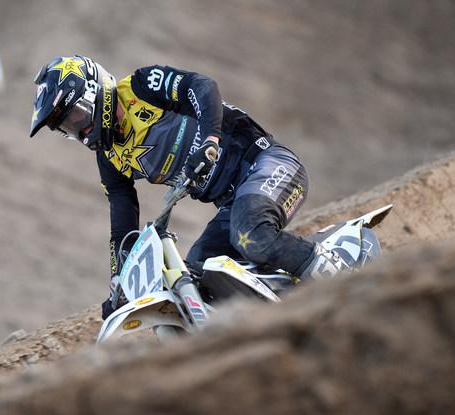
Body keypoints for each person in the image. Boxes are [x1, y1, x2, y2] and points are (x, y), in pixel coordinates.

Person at [29, 55, 347, 319]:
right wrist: (119, 281)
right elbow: (122, 221)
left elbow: (202, 86)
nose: (80, 131)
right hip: (233, 203)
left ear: (95, 91)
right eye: (68, 127)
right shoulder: (110, 158)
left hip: (268, 163)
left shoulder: (141, 86)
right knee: (200, 274)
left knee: (250, 234)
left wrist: (210, 140)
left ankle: (340, 278)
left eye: (76, 116)